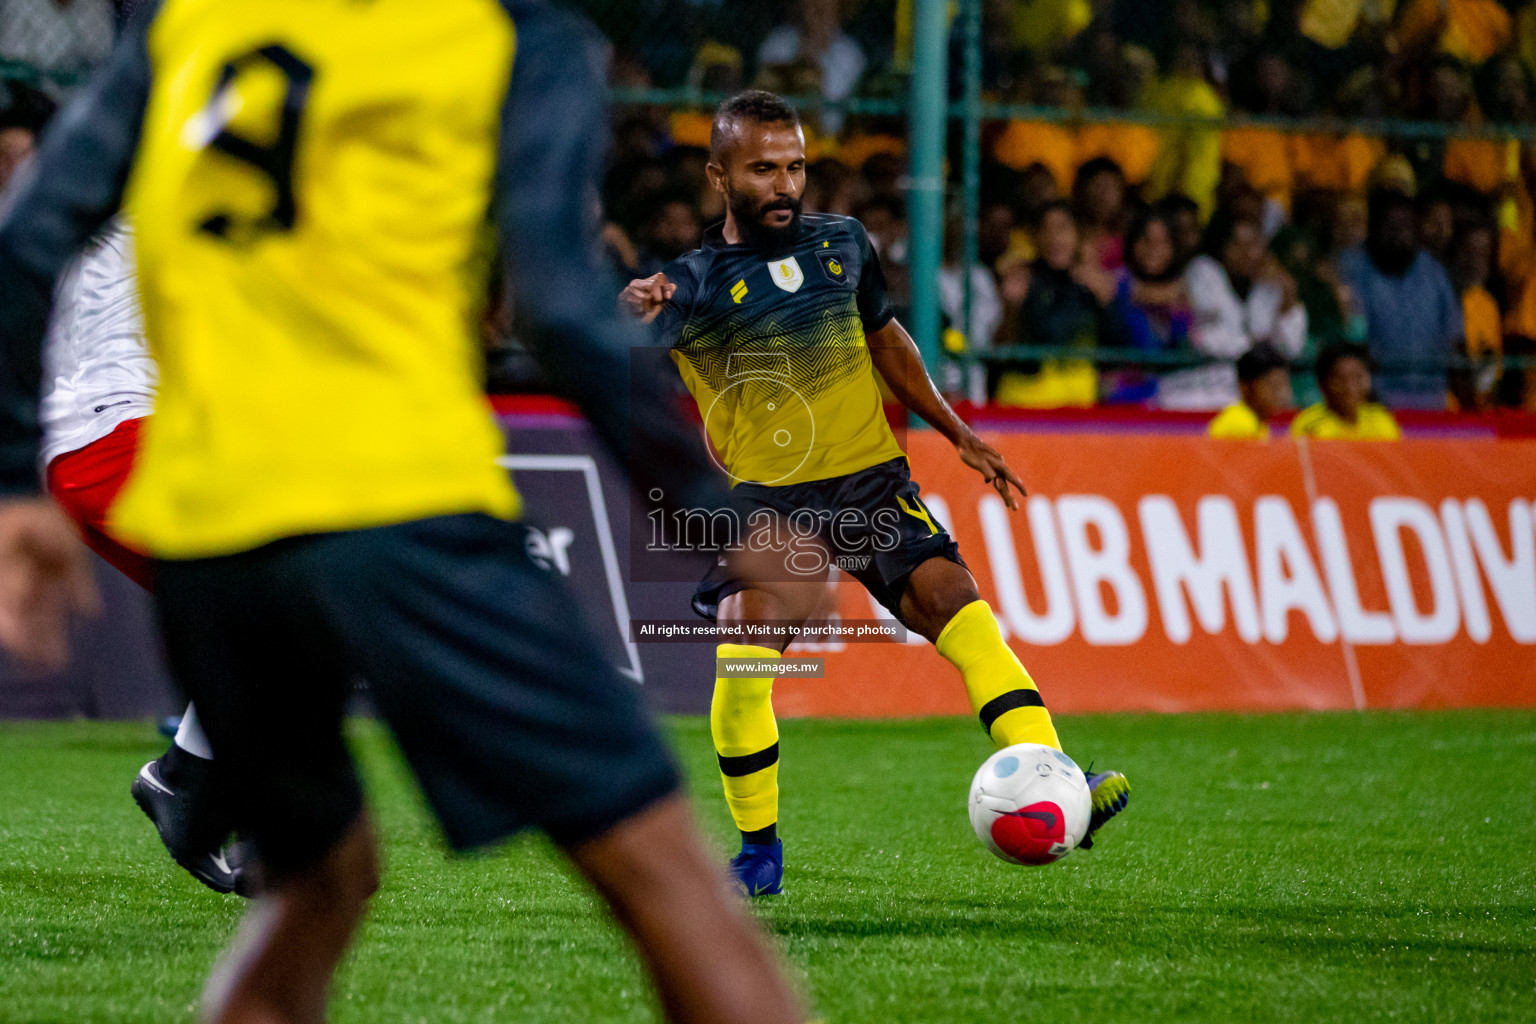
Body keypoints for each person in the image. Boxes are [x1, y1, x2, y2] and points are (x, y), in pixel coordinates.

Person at [0, 6, 812, 1024]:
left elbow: (26, 234)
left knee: (322, 883)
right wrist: (716, 511)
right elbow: (561, 309)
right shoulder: (516, 38)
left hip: (213, 520)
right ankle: (205, 768)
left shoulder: (196, 26)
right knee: (675, 887)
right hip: (388, 499)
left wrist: (15, 490)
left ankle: (195, 771)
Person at [620, 91, 1130, 897]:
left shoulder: (843, 245)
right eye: (762, 169)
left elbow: (885, 337)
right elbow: (610, 343)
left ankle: (1060, 783)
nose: (783, 183)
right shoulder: (691, 284)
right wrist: (629, 312)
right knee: (746, 659)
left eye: (794, 165)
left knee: (961, 610)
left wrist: (957, 432)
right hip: (772, 502)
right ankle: (758, 852)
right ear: (719, 176)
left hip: (870, 483)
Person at [40, 220, 245, 894]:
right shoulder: (140, 163)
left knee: (265, 605)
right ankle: (195, 781)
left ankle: (194, 780)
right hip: (112, 435)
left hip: (107, 441)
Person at [1335, 188, 1464, 410]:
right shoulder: (1350, 268)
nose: (1398, 234)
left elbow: (1453, 339)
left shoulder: (1433, 273)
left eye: (1405, 226)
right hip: (1372, 402)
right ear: (1373, 228)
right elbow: (1349, 340)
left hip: (1431, 401)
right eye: (1390, 226)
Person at [1165, 209, 1307, 410]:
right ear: (1222, 247)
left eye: (1254, 245)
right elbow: (1211, 340)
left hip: (1256, 390)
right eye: (1238, 245)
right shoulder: (1204, 272)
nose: (1248, 253)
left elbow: (1291, 347)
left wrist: (1288, 297)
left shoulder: (1269, 284)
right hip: (1206, 385)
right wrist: (1261, 348)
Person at [1291, 343, 1403, 440]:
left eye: (1358, 377)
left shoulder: (1381, 420)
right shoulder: (1309, 426)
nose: (1350, 387)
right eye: (1340, 379)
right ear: (1321, 384)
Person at [1207, 343, 1293, 439]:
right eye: (1273, 386)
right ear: (1247, 386)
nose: (1281, 393)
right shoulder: (1240, 423)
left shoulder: (1259, 425)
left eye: (1283, 385)